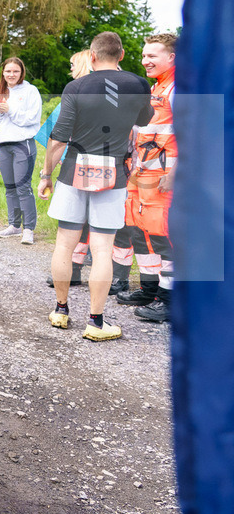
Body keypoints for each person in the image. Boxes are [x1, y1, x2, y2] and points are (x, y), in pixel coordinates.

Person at [39, 31, 153, 342]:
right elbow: (144, 119)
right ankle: (96, 321)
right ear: (122, 55)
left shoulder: (76, 87)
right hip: (113, 171)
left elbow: (58, 139)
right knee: (102, 249)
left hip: (73, 170)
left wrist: (46, 174)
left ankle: (61, 311)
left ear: (91, 56)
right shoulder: (138, 85)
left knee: (65, 244)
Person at [112, 33, 179, 323]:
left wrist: (176, 174)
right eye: (143, 55)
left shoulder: (180, 88)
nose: (145, 61)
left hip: (166, 179)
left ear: (172, 57)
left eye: (152, 55)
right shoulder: (157, 88)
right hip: (143, 177)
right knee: (144, 233)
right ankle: (150, 289)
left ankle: (169, 300)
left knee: (168, 238)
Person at [37, 50, 94, 287]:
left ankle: (73, 270)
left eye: (72, 64)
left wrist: (46, 173)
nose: (69, 69)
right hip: (109, 166)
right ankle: (83, 269)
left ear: (82, 64)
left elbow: (52, 138)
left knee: (73, 221)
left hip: (74, 167)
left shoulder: (73, 93)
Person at [0, 57, 43, 244]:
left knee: (23, 187)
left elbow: (32, 119)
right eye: (8, 71)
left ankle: (29, 230)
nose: (11, 74)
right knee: (10, 188)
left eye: (15, 71)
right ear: (3, 72)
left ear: (21, 72)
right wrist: (0, 112)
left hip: (22, 145)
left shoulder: (31, 91)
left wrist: (10, 110)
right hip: (2, 146)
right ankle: (14, 226)